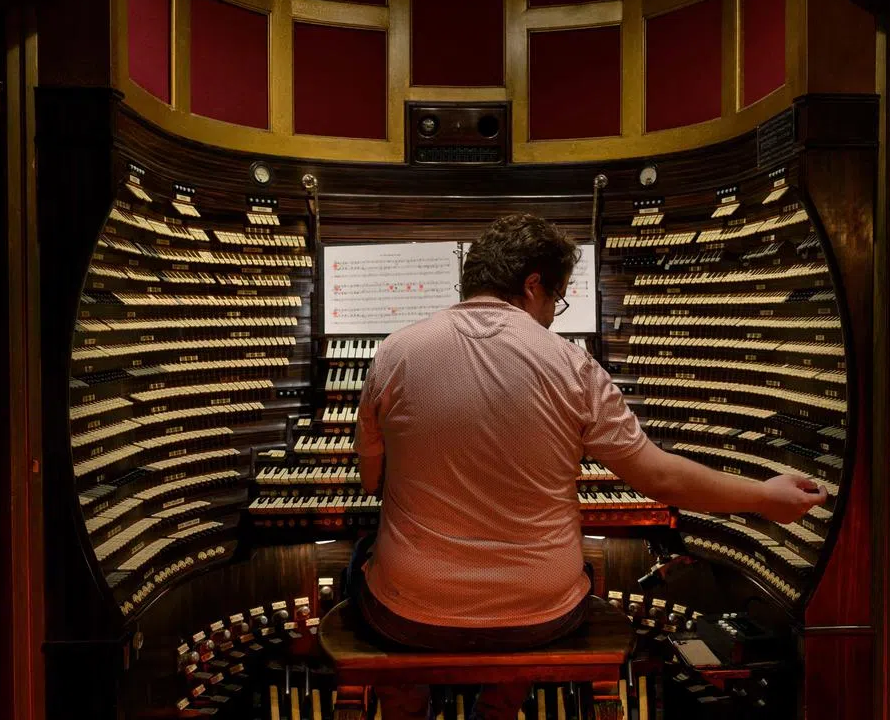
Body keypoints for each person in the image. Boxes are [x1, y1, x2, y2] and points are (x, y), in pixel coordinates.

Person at [352, 213, 827, 720]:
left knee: (363, 557)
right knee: (571, 574)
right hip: (540, 613)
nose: (552, 317)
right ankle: (497, 707)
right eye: (555, 301)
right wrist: (765, 496)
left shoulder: (394, 353)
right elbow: (660, 477)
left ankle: (406, 706)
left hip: (411, 612)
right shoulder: (575, 366)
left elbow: (370, 479)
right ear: (532, 284)